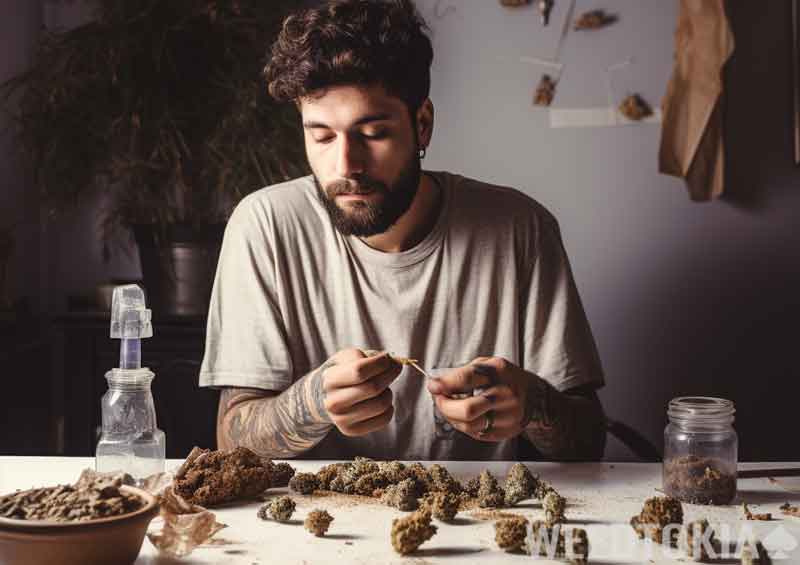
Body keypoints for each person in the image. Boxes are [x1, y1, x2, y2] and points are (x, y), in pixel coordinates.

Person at [200, 0, 606, 462]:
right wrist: (312, 403)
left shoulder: (521, 229)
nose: (347, 165)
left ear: (423, 124)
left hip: (485, 521)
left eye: (372, 133)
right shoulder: (264, 227)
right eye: (322, 136)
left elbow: (590, 439)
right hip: (315, 527)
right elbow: (231, 440)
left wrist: (533, 405)